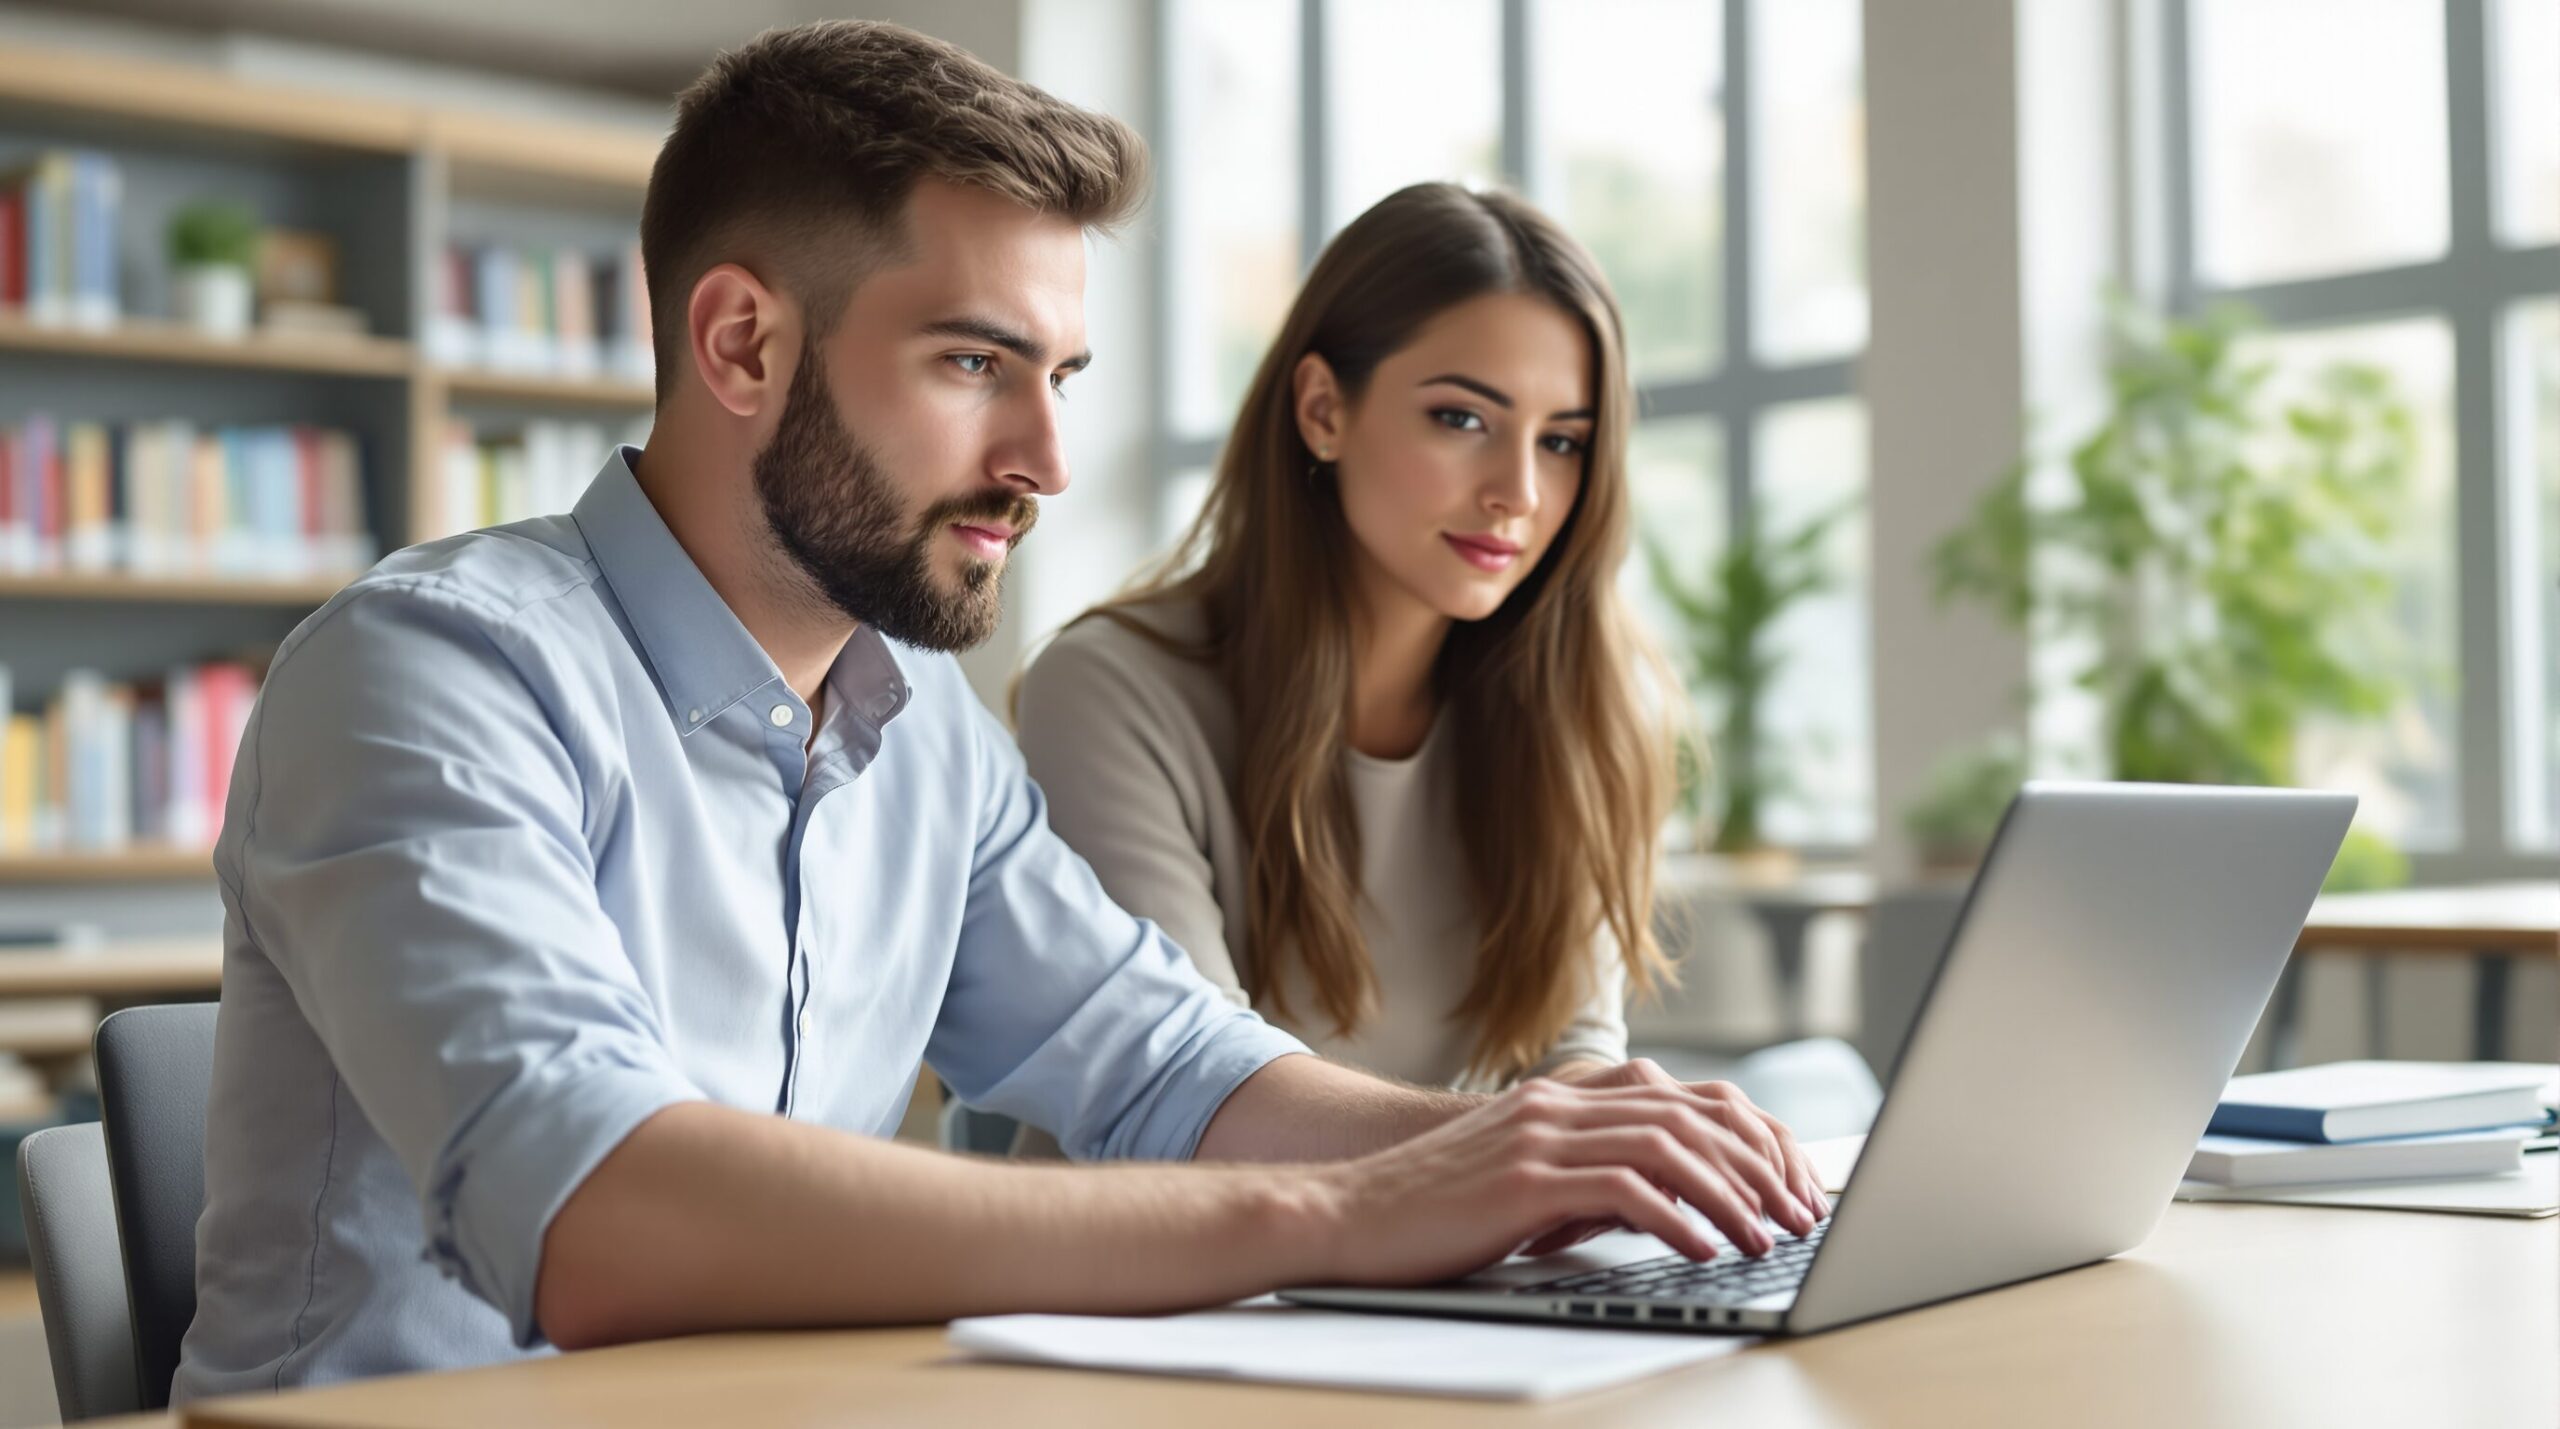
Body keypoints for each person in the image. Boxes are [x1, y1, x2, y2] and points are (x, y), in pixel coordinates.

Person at [175, 22, 1823, 1402]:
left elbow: (1171, 1062)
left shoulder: (924, 730)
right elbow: (609, 1216)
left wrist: (1541, 1151)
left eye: (1064, 378)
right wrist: (1347, 1202)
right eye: (976, 364)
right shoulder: (429, 674)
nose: (1043, 459)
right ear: (741, 340)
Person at [1014, 183, 1792, 1126]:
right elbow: (1200, 1092)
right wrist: (1539, 1141)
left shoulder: (1580, 708)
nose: (1519, 491)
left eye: (1562, 442)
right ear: (1321, 410)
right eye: (1462, 419)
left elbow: (1569, 1054)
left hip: (1440, 1265)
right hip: (1160, 1268)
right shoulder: (1109, 691)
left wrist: (1627, 1125)